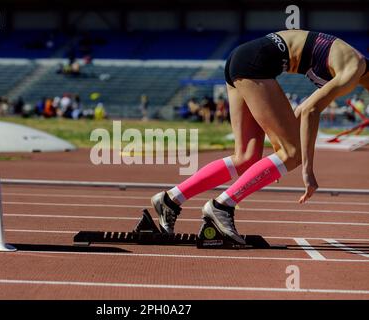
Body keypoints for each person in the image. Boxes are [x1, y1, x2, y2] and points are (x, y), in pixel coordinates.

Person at [150, 29, 369, 244]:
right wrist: (306, 170)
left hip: (243, 58)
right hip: (255, 65)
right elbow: (311, 111)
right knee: (293, 154)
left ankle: (170, 199)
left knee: (246, 157)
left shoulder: (351, 66)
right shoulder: (354, 68)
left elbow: (303, 110)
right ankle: (222, 206)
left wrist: (275, 160)